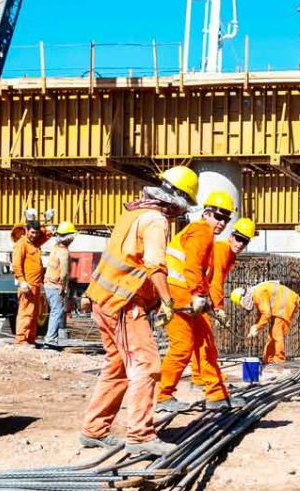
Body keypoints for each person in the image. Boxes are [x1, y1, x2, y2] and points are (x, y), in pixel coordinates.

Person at [80, 165, 198, 458]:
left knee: (117, 367)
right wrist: (168, 302)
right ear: (178, 199)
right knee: (146, 365)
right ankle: (140, 436)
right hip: (123, 303)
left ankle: (94, 430)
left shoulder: (133, 212)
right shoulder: (156, 221)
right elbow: (155, 265)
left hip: (103, 299)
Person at [157, 191, 244, 412]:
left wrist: (207, 300)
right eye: (218, 216)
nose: (221, 223)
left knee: (206, 345)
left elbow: (205, 275)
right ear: (206, 213)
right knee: (182, 347)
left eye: (225, 219)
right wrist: (198, 295)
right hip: (179, 296)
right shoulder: (202, 231)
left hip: (187, 295)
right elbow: (192, 266)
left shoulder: (205, 234)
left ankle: (216, 395)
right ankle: (162, 396)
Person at [190, 218, 255, 390]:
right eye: (239, 238)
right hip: (196, 296)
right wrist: (218, 308)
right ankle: (203, 376)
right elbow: (216, 281)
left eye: (245, 241)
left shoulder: (229, 254)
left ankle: (201, 375)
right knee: (204, 340)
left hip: (201, 296)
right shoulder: (222, 250)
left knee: (202, 339)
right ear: (232, 236)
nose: (241, 244)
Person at [231, 281, 300, 364]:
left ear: (242, 298)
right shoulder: (255, 293)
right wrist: (256, 326)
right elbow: (261, 313)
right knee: (272, 335)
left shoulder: (257, 294)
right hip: (285, 302)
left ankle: (279, 361)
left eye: (240, 303)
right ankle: (268, 359)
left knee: (276, 332)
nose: (242, 306)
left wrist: (257, 327)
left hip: (284, 303)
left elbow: (266, 313)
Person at [12, 220, 52, 345]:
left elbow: (47, 234)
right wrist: (21, 281)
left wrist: (47, 223)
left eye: (36, 233)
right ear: (26, 230)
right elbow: (16, 264)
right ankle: (21, 339)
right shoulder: (22, 244)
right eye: (32, 232)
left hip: (35, 285)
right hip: (27, 285)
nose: (34, 235)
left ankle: (30, 339)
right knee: (26, 313)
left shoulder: (34, 243)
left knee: (34, 314)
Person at [42, 221, 78, 349]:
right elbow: (64, 274)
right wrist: (65, 287)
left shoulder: (55, 248)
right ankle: (50, 340)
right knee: (57, 312)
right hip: (56, 286)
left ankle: (52, 339)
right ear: (69, 237)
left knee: (54, 311)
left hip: (48, 284)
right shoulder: (64, 252)